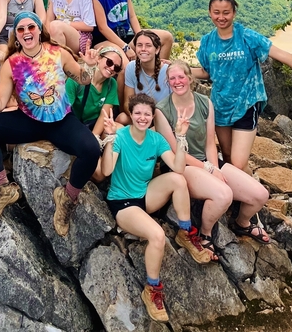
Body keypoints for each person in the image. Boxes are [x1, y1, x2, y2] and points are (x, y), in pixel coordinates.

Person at [0, 12, 101, 235]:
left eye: (31, 27)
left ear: (40, 29)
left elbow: (83, 80)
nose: (26, 32)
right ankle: (3, 188)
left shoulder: (58, 53)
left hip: (61, 120)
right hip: (28, 121)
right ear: (16, 36)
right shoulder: (11, 64)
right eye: (20, 30)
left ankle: (67, 197)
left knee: (91, 149)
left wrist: (88, 66)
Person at [196, 0, 292, 174]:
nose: (221, 17)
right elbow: (207, 72)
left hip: (247, 101)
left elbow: (282, 55)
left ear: (234, 13)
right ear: (209, 13)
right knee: (229, 156)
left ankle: (252, 193)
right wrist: (172, 69)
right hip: (220, 104)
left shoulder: (247, 36)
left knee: (238, 163)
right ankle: (243, 195)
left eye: (226, 13)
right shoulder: (207, 41)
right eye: (216, 13)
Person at [100, 95, 211, 324]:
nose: (142, 117)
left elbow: (179, 167)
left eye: (147, 114)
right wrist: (109, 138)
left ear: (152, 117)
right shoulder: (121, 136)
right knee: (157, 236)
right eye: (138, 113)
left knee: (178, 180)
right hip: (123, 202)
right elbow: (107, 171)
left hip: (145, 195)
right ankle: (152, 289)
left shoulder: (156, 139)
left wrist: (180, 135)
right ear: (131, 114)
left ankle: (185, 232)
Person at [155, 60, 270, 253]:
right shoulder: (161, 110)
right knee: (224, 195)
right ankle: (205, 233)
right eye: (172, 78)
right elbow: (175, 150)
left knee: (260, 195)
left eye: (181, 76)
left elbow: (210, 143)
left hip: (207, 161)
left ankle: (241, 222)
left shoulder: (204, 102)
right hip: (181, 164)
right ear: (168, 82)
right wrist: (208, 170)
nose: (177, 81)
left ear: (190, 78)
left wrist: (214, 167)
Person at [65, 45, 123, 181]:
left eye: (117, 67)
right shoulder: (77, 79)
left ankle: (119, 172)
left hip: (94, 125)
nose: (112, 68)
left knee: (121, 132)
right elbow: (66, 111)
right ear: (99, 59)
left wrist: (94, 138)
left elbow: (105, 114)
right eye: (109, 62)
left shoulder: (111, 84)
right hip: (75, 126)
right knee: (99, 174)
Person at [118, 30, 171, 126]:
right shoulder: (131, 67)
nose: (143, 49)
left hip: (163, 118)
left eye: (148, 45)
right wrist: (140, 117)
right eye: (139, 45)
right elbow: (127, 102)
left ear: (157, 49)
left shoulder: (168, 71)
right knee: (121, 118)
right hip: (140, 117)